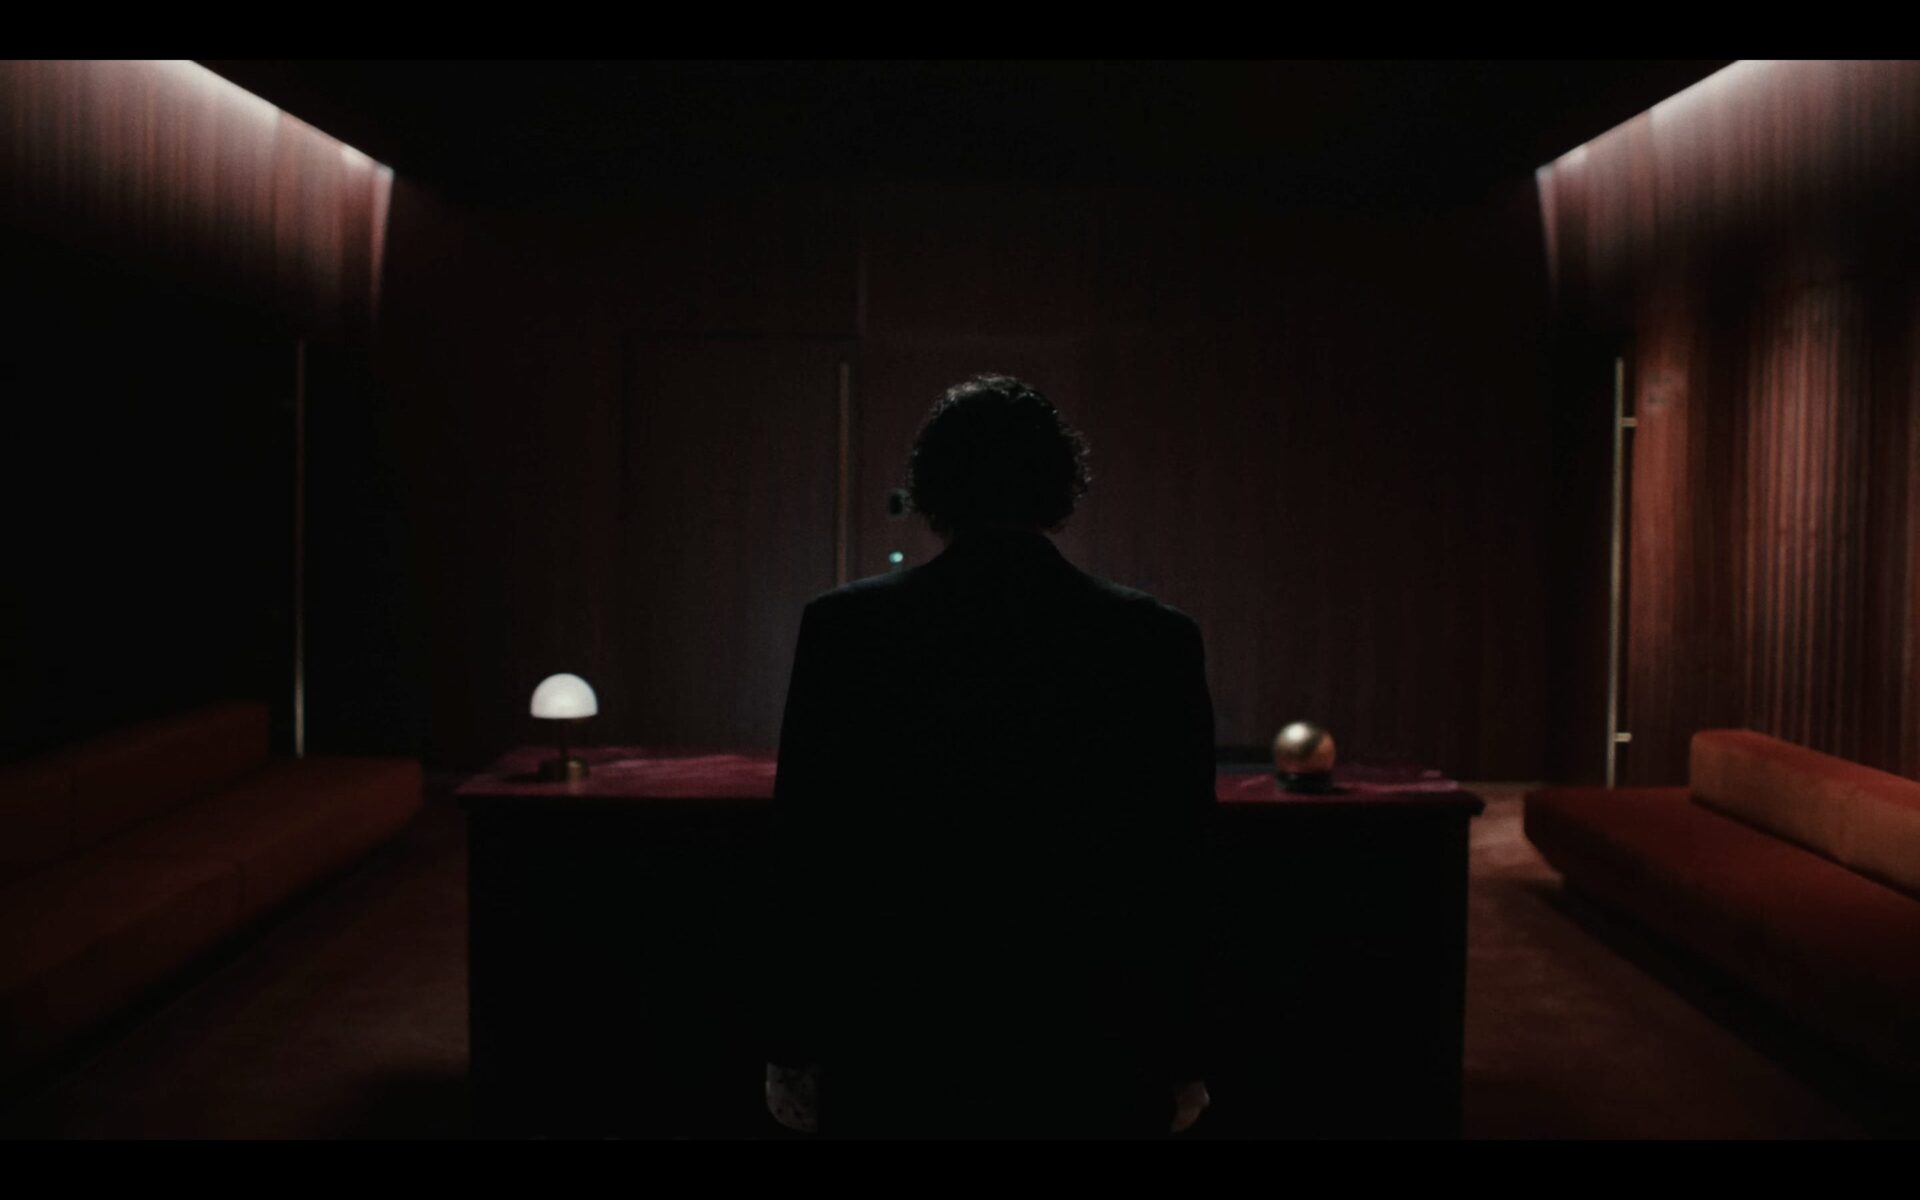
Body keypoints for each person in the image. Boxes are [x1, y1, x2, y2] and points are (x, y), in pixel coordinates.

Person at [761, 374, 1217, 1139]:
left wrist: (793, 1042)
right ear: (1060, 485)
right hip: (1092, 1033)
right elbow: (1180, 863)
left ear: (931, 488)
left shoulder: (846, 630)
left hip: (896, 1029)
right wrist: (1184, 1049)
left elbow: (809, 852)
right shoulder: (1152, 638)